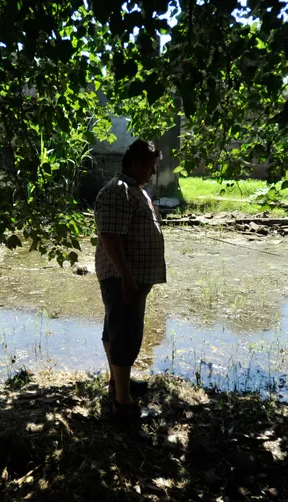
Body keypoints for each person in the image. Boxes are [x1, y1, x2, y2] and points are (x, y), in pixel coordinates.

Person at [94, 139, 166, 422]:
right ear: (135, 163)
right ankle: (123, 405)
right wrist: (126, 277)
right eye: (149, 166)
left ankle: (117, 383)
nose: (153, 172)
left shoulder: (135, 190)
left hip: (131, 278)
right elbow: (110, 237)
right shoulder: (118, 190)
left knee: (115, 329)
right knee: (126, 334)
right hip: (125, 278)